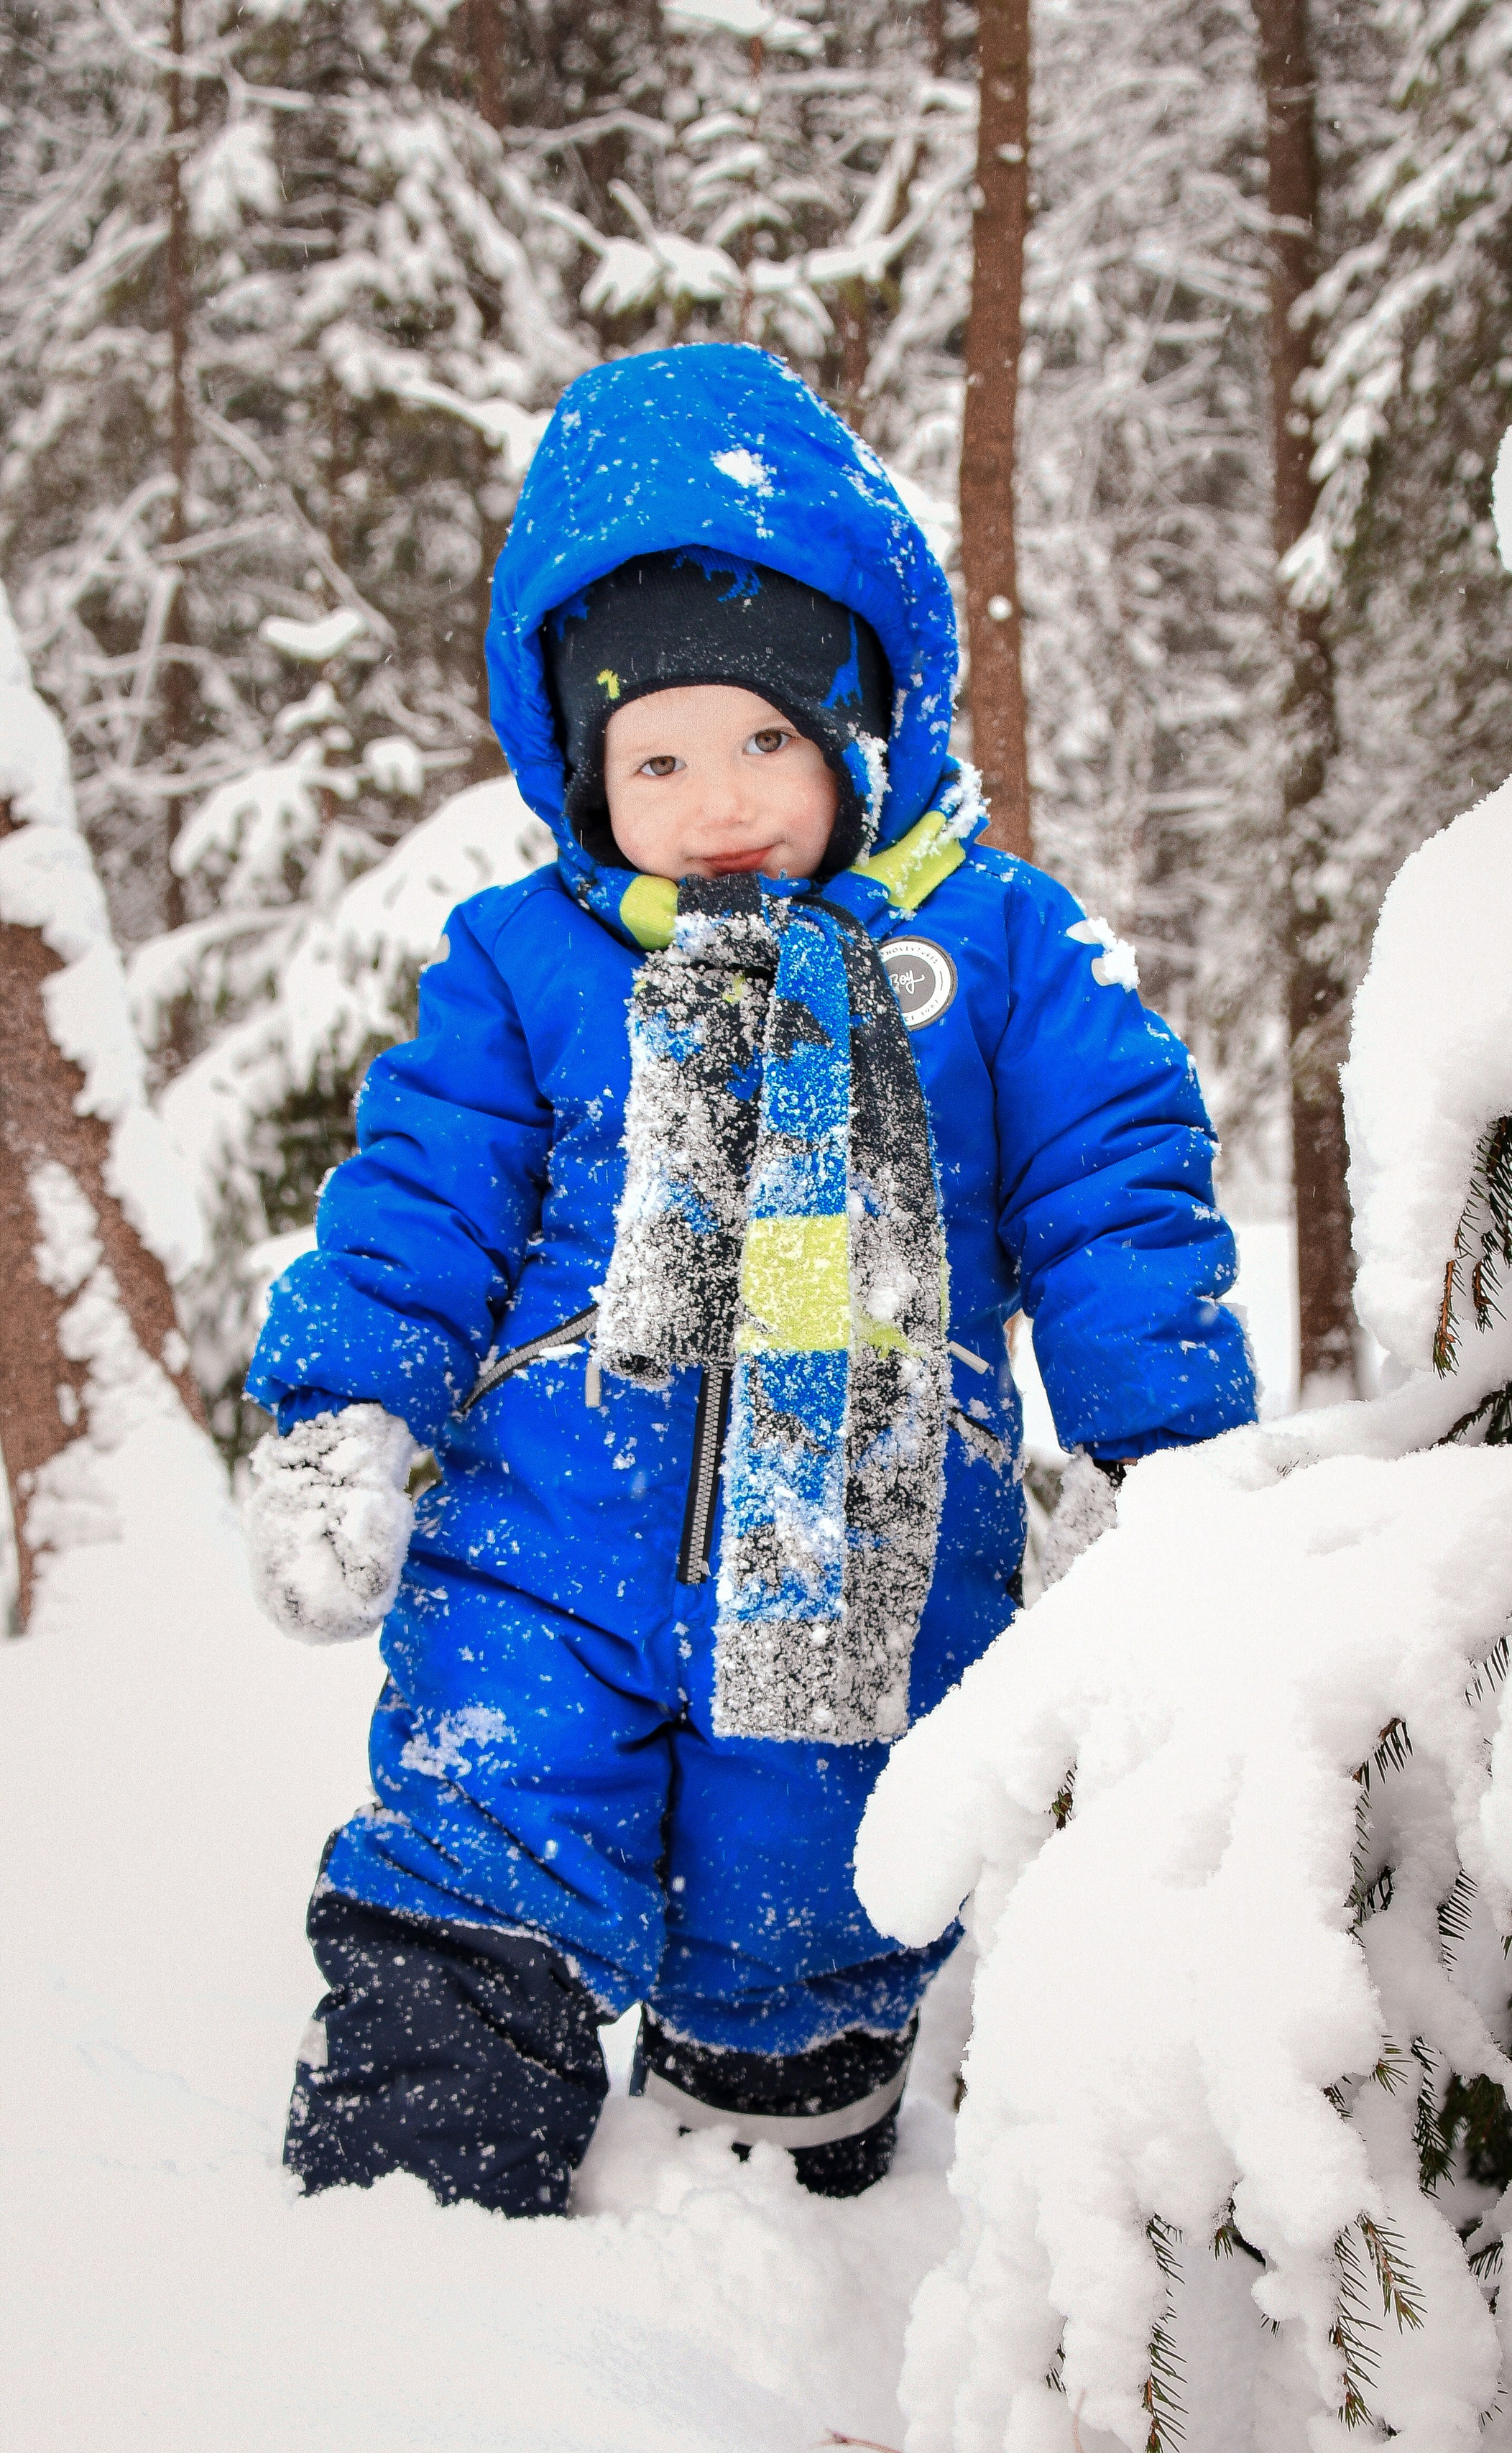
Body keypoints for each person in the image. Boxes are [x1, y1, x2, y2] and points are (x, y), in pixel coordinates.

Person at [244, 343, 1257, 2215]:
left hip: (864, 1532)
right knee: (487, 1807)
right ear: (577, 769)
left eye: (768, 742)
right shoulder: (528, 959)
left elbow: (1118, 1193)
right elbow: (421, 1193)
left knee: (817, 1888)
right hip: (550, 1525)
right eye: (656, 757)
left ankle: (765, 2160)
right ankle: (410, 2196)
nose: (717, 802)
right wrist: (350, 1406)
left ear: (868, 722)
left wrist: (1158, 1455)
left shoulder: (998, 941)